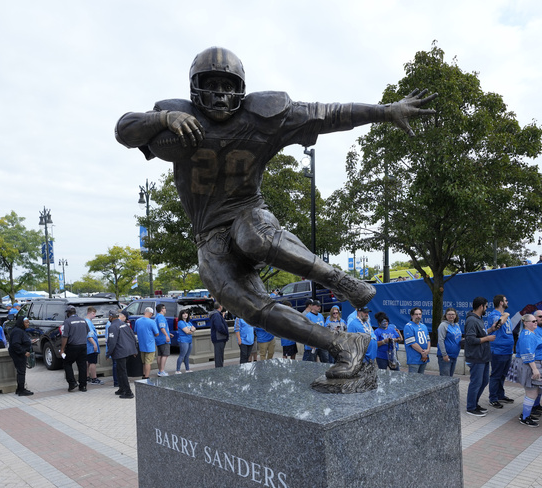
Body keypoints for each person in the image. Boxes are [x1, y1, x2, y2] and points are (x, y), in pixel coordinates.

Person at [115, 47, 435, 380]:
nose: (220, 94)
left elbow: (328, 114)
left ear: (240, 88)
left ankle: (340, 281)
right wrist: (164, 119)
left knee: (254, 237)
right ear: (195, 87)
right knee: (251, 309)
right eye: (212, 85)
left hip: (247, 212)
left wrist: (384, 112)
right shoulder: (178, 119)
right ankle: (343, 344)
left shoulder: (262, 116)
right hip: (209, 236)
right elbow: (124, 129)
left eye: (227, 86)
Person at [464, 297, 495, 416]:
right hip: (476, 357)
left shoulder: (479, 319)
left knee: (484, 381)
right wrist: (487, 338)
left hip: (483, 356)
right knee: (476, 382)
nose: (486, 309)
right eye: (486, 306)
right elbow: (471, 339)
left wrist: (490, 330)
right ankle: (471, 407)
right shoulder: (472, 320)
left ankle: (474, 403)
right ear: (481, 306)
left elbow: (480, 334)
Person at [514, 314, 542, 427]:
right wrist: (535, 369)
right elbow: (527, 353)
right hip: (528, 365)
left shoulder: (531, 333)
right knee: (531, 392)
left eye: (536, 320)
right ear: (525, 323)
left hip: (530, 364)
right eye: (532, 321)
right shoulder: (527, 335)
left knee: (533, 391)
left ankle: (526, 415)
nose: (535, 322)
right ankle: (525, 417)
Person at [485, 295, 514, 407]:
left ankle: (500, 395)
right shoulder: (494, 315)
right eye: (506, 300)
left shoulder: (506, 316)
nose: (508, 302)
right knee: (496, 375)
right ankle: (493, 398)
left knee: (502, 375)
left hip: (507, 350)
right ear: (501, 303)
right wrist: (506, 315)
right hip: (498, 350)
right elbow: (498, 324)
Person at [108, 311, 139, 399]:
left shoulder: (112, 326)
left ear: (111, 317)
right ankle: (121, 388)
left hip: (120, 352)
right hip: (129, 350)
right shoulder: (124, 324)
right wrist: (135, 349)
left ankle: (128, 392)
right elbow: (132, 336)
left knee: (122, 372)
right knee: (119, 370)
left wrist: (108, 353)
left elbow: (112, 342)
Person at [59, 305, 90, 392]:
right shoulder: (83, 320)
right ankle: (83, 386)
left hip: (73, 346)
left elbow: (65, 336)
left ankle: (72, 383)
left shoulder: (67, 321)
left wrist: (62, 349)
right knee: (82, 365)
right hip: (83, 345)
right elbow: (87, 332)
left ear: (68, 313)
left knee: (67, 363)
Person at [8, 315, 35, 397]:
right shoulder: (18, 331)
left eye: (28, 322)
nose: (28, 324)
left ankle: (19, 389)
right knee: (21, 372)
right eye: (26, 322)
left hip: (19, 353)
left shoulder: (20, 330)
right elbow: (15, 344)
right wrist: (24, 352)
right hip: (18, 354)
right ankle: (21, 390)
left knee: (20, 371)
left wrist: (29, 342)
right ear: (21, 323)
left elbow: (21, 340)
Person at [134, 307, 161, 379]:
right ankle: (147, 376)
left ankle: (143, 374)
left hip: (141, 345)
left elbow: (135, 331)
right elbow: (157, 333)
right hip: (150, 345)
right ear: (150, 314)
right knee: (148, 362)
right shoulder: (152, 322)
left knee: (143, 362)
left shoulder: (138, 321)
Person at [436, 307, 462, 377]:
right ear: (445, 315)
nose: (451, 316)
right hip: (445, 356)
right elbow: (440, 340)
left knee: (450, 378)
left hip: (454, 355)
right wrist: (444, 354)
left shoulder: (457, 325)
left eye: (453, 314)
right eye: (449, 314)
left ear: (456, 315)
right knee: (445, 378)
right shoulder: (443, 325)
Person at [403, 307, 430, 374]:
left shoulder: (424, 326)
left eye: (420, 314)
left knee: (421, 379)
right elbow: (412, 343)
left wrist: (428, 350)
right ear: (412, 315)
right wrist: (422, 352)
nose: (418, 316)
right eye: (416, 314)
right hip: (414, 358)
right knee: (413, 380)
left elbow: (428, 340)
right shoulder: (408, 326)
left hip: (424, 357)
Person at [84, 307, 103, 385]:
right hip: (91, 346)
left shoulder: (86, 322)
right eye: (93, 314)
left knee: (88, 362)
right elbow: (89, 335)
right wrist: (94, 344)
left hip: (88, 346)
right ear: (89, 313)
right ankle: (94, 378)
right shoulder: (88, 322)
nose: (94, 315)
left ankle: (87, 377)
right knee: (92, 362)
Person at [209, 303, 230, 368]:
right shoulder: (216, 315)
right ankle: (219, 371)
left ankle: (219, 369)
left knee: (220, 356)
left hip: (219, 338)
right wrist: (226, 332)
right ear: (220, 306)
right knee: (219, 356)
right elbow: (219, 326)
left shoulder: (216, 314)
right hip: (219, 338)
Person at [155, 303, 172, 377]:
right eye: (164, 308)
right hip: (163, 339)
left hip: (158, 338)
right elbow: (162, 327)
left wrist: (169, 333)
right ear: (162, 309)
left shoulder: (157, 317)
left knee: (160, 355)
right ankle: (161, 371)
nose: (165, 309)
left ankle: (160, 370)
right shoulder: (161, 317)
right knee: (165, 355)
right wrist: (166, 335)